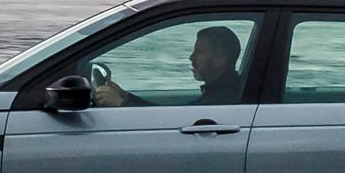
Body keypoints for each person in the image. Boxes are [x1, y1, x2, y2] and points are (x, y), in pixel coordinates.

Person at [92, 25, 244, 107]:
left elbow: (181, 122)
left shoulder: (221, 100)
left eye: (199, 52)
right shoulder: (223, 92)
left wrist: (121, 105)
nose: (191, 57)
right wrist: (126, 97)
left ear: (219, 60)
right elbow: (170, 115)